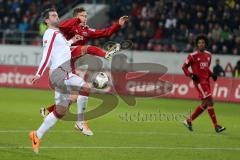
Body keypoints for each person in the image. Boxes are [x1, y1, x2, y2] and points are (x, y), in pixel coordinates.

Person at [29, 8, 120, 154]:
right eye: (53, 15)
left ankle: (36, 135)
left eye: (57, 15)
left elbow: (64, 48)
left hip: (62, 72)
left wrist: (72, 40)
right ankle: (80, 122)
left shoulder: (58, 34)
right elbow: (46, 54)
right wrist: (39, 73)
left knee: (61, 110)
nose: (56, 17)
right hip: (60, 72)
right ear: (46, 20)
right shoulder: (50, 32)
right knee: (85, 86)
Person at [182, 34, 226, 133]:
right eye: (199, 43)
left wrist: (212, 74)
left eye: (203, 42)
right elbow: (184, 67)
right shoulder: (192, 56)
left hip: (206, 81)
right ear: (197, 44)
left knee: (205, 104)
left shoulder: (209, 55)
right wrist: (191, 75)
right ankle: (216, 126)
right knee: (210, 101)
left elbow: (206, 69)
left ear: (205, 44)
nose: (201, 44)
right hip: (199, 83)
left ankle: (188, 121)